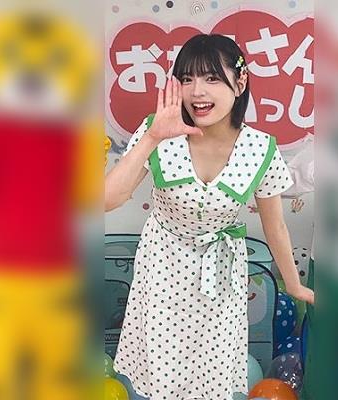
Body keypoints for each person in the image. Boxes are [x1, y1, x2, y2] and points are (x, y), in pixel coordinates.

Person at [105, 33, 314, 399]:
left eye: (212, 78)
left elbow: (276, 225)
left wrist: (295, 286)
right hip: (162, 270)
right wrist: (152, 137)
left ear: (240, 81)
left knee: (212, 374)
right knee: (163, 373)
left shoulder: (259, 148)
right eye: (187, 79)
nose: (197, 91)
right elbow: (108, 199)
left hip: (221, 276)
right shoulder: (159, 131)